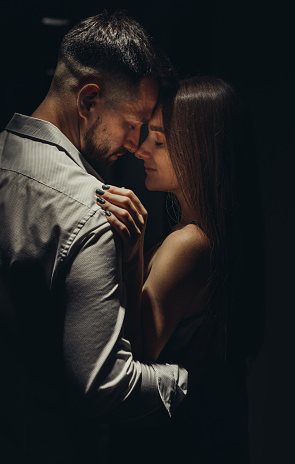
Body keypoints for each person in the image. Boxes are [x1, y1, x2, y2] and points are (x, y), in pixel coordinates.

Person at [0, 11, 188, 464]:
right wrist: (182, 380)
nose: (135, 141)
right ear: (88, 100)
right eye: (131, 121)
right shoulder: (92, 210)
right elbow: (102, 389)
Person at [95, 76, 265, 463]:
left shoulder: (189, 243)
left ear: (199, 153)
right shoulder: (214, 237)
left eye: (159, 141)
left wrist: (132, 249)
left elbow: (135, 357)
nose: (140, 151)